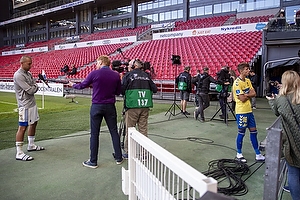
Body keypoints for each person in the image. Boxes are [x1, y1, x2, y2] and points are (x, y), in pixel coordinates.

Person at [68, 55, 123, 168]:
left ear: (101, 62)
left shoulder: (94, 73)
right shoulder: (116, 75)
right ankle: (119, 157)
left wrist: (73, 85)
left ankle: (93, 161)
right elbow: (118, 92)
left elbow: (82, 85)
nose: (96, 64)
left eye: (97, 62)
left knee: (94, 134)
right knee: (113, 131)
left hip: (97, 106)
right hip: (110, 106)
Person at [266, 70, 300, 200]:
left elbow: (276, 111)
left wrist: (271, 101)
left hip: (293, 143)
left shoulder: (281, 100)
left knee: (293, 172)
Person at [121, 59, 157, 158]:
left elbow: (122, 90)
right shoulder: (147, 75)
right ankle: (144, 154)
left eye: (129, 64)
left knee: (130, 130)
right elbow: (155, 89)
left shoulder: (128, 75)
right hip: (145, 106)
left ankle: (129, 153)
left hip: (132, 106)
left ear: (134, 66)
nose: (127, 66)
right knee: (143, 130)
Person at [13, 55, 45, 161]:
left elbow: (33, 86)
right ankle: (19, 152)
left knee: (34, 122)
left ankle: (31, 145)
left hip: (32, 103)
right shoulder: (18, 75)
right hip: (24, 105)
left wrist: (33, 86)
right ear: (22, 63)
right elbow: (31, 90)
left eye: (31, 63)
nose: (31, 65)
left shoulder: (29, 74)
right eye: (29, 63)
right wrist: (34, 87)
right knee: (22, 127)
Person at [232, 62, 265, 163]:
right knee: (241, 133)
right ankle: (239, 153)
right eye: (246, 69)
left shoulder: (248, 80)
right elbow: (241, 99)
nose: (248, 70)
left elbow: (254, 93)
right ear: (241, 71)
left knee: (254, 132)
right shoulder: (237, 83)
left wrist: (246, 95)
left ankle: (258, 154)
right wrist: (248, 95)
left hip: (249, 111)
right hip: (241, 111)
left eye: (248, 69)